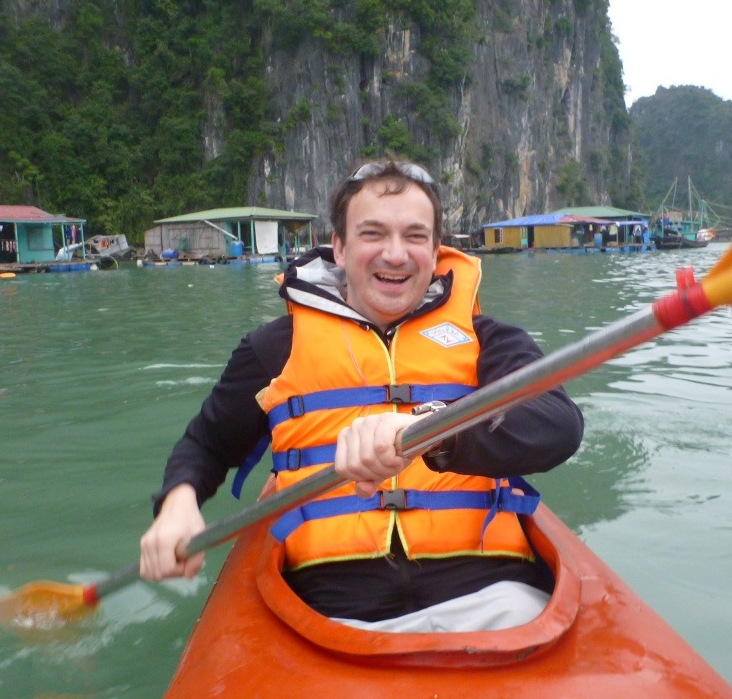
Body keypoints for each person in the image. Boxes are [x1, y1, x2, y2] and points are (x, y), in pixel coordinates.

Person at [140, 159, 584, 632]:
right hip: (327, 613)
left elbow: (558, 424)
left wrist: (431, 429)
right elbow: (206, 445)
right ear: (339, 246)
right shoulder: (273, 348)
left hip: (495, 599)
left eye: (415, 236)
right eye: (373, 234)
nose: (395, 254)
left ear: (435, 251)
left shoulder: (487, 340)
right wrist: (178, 504)